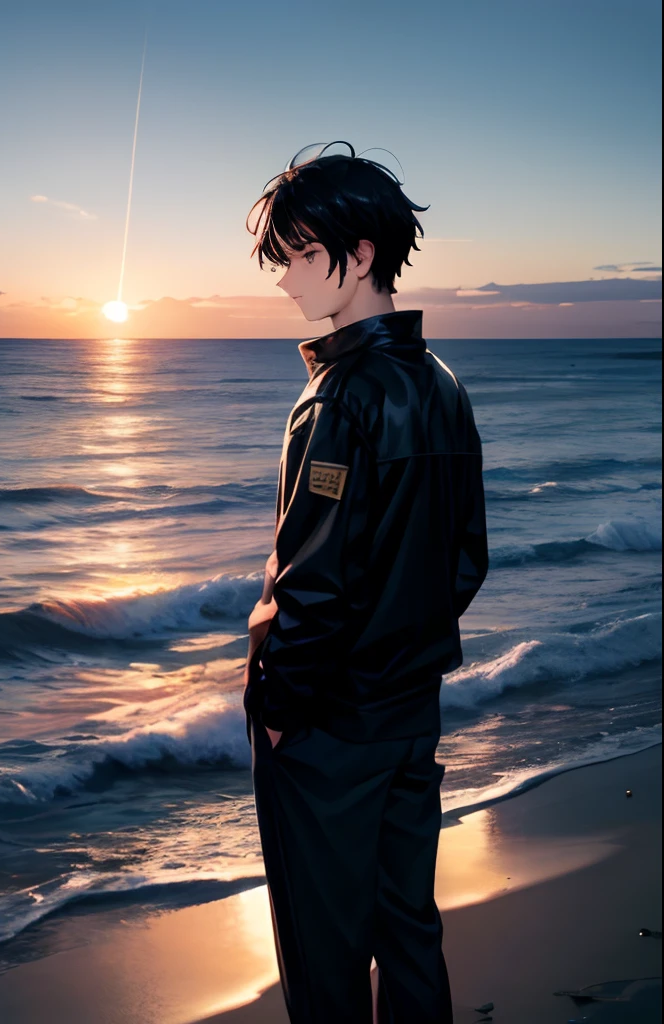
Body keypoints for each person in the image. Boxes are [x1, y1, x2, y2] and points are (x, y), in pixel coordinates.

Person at [242, 141, 488, 1023]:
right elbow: (464, 560)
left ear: (362, 257)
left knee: (324, 948)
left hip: (330, 728)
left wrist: (279, 710)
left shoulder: (338, 398)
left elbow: (315, 583)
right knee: (407, 927)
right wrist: (401, 651)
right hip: (408, 708)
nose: (286, 279)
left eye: (302, 254)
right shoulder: (444, 384)